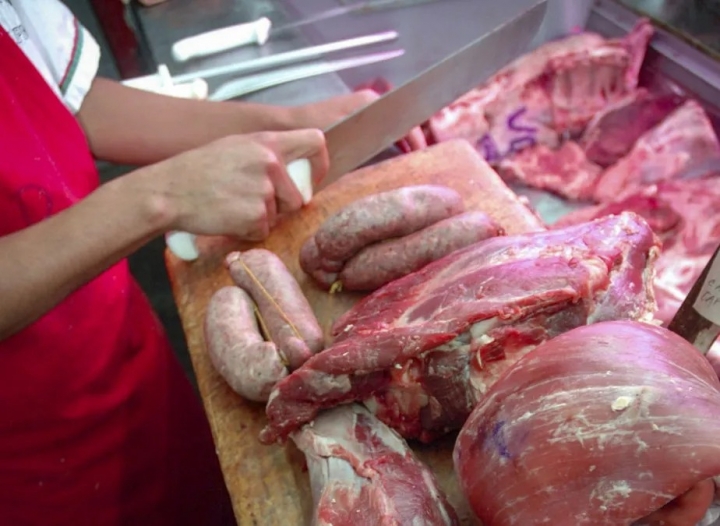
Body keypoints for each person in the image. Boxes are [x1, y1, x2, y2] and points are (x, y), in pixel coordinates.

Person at [0, 0, 425, 524]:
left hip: (117, 344)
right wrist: (159, 197)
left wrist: (290, 122)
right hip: (25, 451)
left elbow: (75, 97)